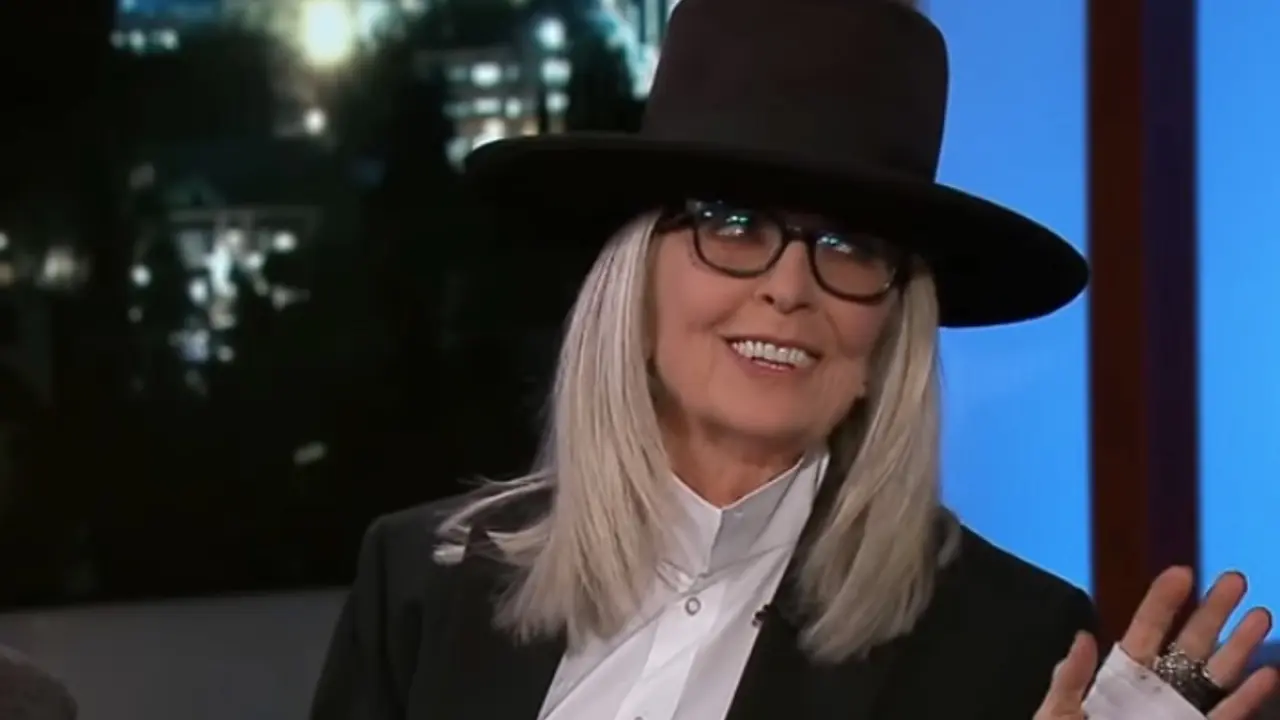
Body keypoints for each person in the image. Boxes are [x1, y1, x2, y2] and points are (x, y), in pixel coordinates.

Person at [311, 0, 1278, 718]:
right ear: (636, 277)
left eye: (849, 248)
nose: (787, 287)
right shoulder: (423, 581)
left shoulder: (1015, 641)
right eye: (733, 225)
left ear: (890, 326)